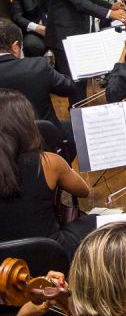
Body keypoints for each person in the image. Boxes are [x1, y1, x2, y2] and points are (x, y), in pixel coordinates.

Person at [0, 89, 95, 261]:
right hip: (50, 254)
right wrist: (64, 168)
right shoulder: (48, 163)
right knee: (96, 222)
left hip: (4, 265)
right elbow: (84, 191)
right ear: (25, 125)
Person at [45, 0, 126, 107]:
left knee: (80, 81)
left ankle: (80, 112)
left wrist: (111, 6)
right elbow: (79, 2)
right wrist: (109, 14)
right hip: (64, 34)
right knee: (75, 82)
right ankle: (78, 118)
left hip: (73, 32)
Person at [0, 19, 75, 150]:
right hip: (44, 143)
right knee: (74, 130)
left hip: (5, 149)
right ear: (15, 46)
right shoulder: (37, 66)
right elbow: (68, 88)